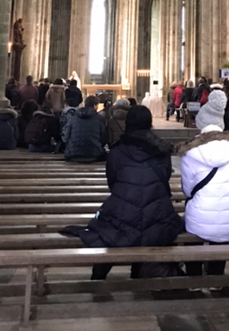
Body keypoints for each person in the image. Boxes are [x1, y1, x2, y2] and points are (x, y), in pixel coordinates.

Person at [63, 105, 183, 279]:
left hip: (123, 211)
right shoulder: (162, 150)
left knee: (112, 231)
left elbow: (113, 183)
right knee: (149, 230)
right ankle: (137, 272)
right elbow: (164, 179)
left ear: (128, 123)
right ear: (149, 123)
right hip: (156, 215)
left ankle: (99, 275)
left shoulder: (117, 150)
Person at [179, 92, 229, 285]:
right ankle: (216, 276)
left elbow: (188, 190)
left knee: (195, 225)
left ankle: (194, 278)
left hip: (201, 218)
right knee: (223, 227)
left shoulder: (191, 152)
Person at [63, 94, 108, 162]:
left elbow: (66, 137)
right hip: (94, 154)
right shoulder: (99, 119)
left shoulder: (74, 117)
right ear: (94, 105)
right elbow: (103, 138)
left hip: (73, 154)